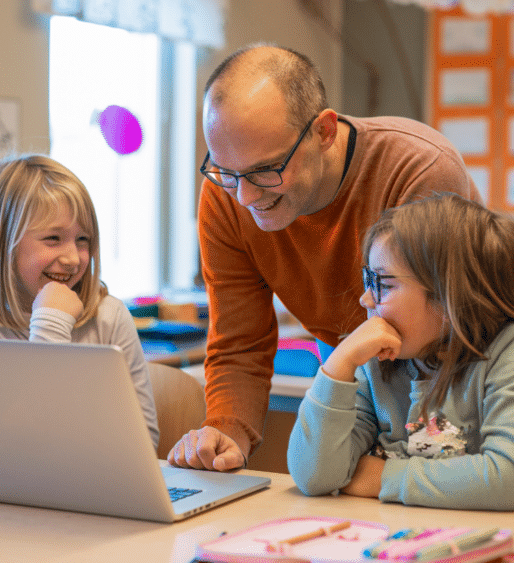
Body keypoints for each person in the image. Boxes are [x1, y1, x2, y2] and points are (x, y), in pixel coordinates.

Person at [167, 44, 479, 472]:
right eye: (225, 171)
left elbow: (429, 338)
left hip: (454, 382)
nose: (246, 196)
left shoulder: (419, 170)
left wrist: (367, 471)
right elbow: (240, 342)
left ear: (324, 132)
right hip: (357, 372)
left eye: (265, 170)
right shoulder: (228, 196)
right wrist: (228, 432)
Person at [287, 194, 514, 509]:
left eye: (384, 285)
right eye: (368, 280)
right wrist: (339, 364)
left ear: (449, 299)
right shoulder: (376, 360)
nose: (366, 299)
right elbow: (314, 477)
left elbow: (511, 479)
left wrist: (382, 477)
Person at [0, 154, 159, 449]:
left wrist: (51, 321)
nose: (73, 258)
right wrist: (51, 324)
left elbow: (144, 442)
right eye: (53, 238)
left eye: (82, 240)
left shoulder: (109, 317)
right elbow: (16, 448)